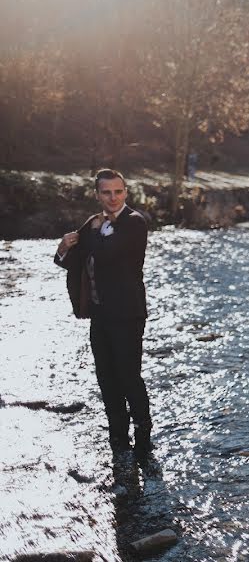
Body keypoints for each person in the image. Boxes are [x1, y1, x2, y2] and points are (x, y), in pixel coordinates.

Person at [54, 169, 153, 459]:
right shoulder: (94, 224)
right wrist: (63, 248)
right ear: (98, 194)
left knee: (129, 376)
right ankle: (118, 438)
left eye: (118, 192)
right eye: (106, 192)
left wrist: (91, 233)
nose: (113, 198)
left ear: (126, 192)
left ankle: (144, 437)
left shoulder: (135, 223)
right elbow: (73, 260)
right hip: (99, 314)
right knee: (106, 378)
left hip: (127, 314)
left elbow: (106, 253)